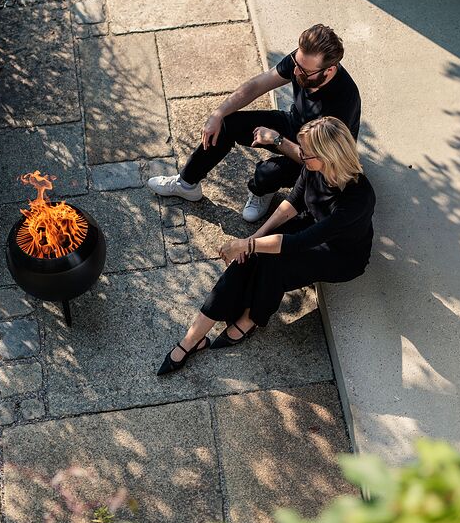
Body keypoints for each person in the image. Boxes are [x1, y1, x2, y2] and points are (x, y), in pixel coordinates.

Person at [157, 116, 375, 375]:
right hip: (311, 226)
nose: (300, 155)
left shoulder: (357, 199)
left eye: (306, 152)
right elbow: (293, 202)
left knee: (274, 263)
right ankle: (193, 339)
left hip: (340, 254)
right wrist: (251, 241)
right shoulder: (313, 166)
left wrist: (250, 245)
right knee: (250, 257)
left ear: (328, 155)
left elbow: (299, 243)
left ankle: (250, 319)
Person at [147, 24, 361, 223]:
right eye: (296, 64)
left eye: (303, 72)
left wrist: (276, 140)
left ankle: (262, 190)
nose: (295, 73)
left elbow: (323, 162)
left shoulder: (341, 103)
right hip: (295, 125)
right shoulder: (302, 63)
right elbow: (258, 85)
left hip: (323, 156)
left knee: (267, 173)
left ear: (329, 71)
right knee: (227, 124)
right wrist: (217, 114)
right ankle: (186, 184)